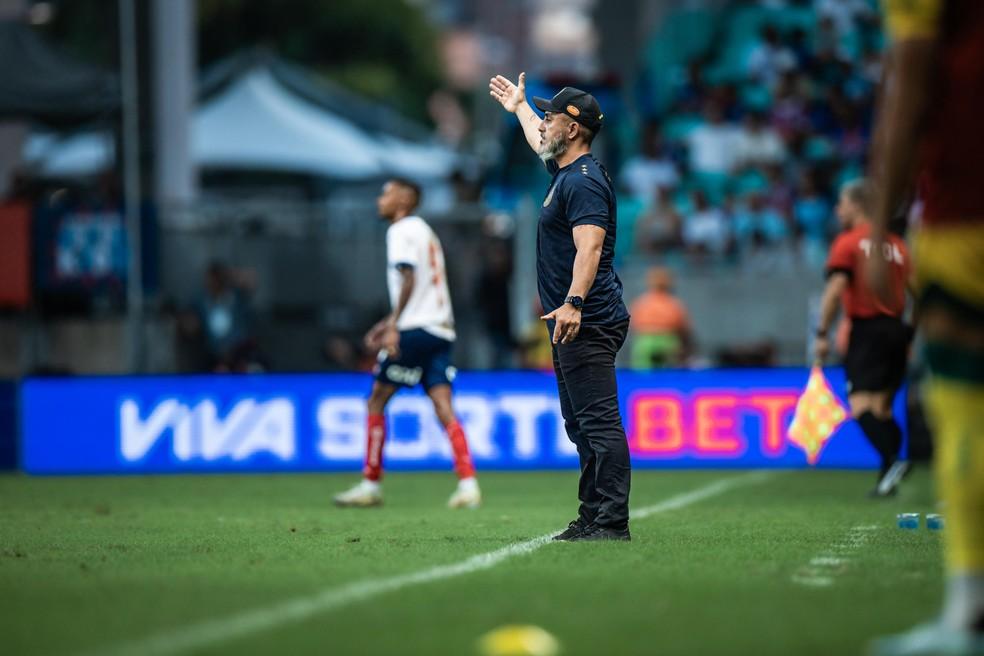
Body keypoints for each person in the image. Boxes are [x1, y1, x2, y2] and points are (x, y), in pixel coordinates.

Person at [867, 1, 984, 652]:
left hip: (968, 214)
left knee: (966, 409)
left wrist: (880, 223)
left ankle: (970, 612)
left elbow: (910, 82)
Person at [490, 73, 632, 541]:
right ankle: (593, 515)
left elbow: (589, 249)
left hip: (585, 320)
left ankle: (610, 521)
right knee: (580, 425)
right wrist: (520, 110)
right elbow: (539, 141)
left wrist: (573, 303)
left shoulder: (584, 183)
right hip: (572, 322)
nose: (544, 123)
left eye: (550, 117)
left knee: (597, 423)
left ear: (573, 129)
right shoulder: (567, 171)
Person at [333, 179, 480, 509]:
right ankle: (468, 484)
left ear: (403, 200)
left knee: (376, 400)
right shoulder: (424, 230)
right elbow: (422, 288)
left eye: (386, 193)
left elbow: (409, 278)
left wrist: (395, 327)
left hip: (414, 330)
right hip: (440, 329)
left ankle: (370, 485)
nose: (379, 200)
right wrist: (387, 322)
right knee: (443, 404)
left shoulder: (400, 230)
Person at [813, 179, 912, 498]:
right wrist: (911, 331)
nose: (837, 209)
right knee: (882, 408)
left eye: (841, 203)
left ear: (857, 206)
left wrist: (822, 333)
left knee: (860, 406)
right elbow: (920, 294)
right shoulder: (897, 245)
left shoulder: (849, 242)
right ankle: (888, 480)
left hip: (868, 330)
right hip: (898, 329)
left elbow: (835, 290)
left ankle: (895, 461)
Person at [629, 267, 693, 368]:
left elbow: (632, 324)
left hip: (645, 341)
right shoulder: (673, 303)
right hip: (668, 340)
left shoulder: (642, 302)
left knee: (643, 377)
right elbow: (684, 327)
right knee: (669, 377)